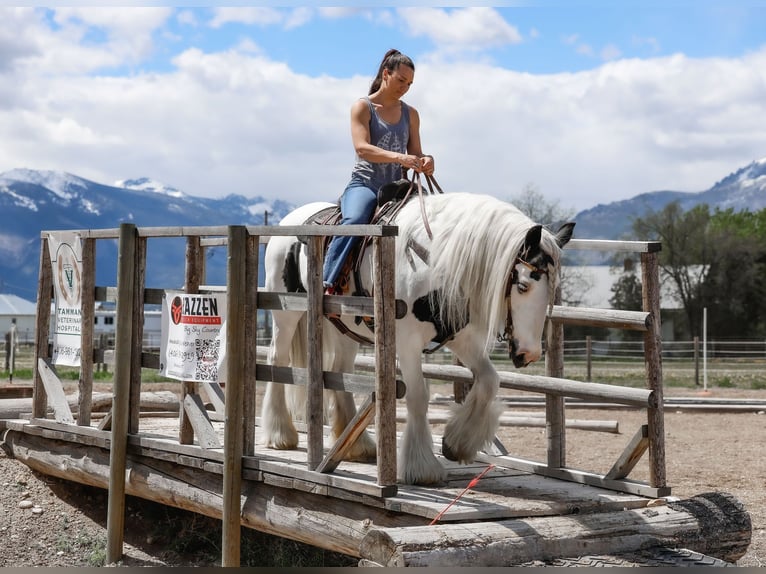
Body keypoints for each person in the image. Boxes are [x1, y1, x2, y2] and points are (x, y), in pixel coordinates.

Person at [323, 48, 435, 295]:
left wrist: (425, 160)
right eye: (401, 80)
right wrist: (399, 157)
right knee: (355, 219)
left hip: (396, 189)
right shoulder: (363, 107)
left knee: (432, 217)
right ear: (386, 74)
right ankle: (328, 281)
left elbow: (416, 151)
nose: (405, 87)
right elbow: (362, 148)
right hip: (365, 184)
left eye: (410, 84)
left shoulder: (411, 114)